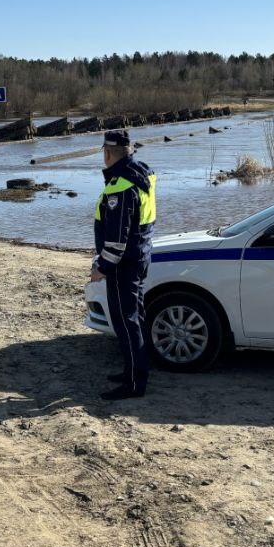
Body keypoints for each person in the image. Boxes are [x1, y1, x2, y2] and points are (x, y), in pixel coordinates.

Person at [89, 129, 157, 401]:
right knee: (136, 317)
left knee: (125, 321)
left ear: (107, 153)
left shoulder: (120, 186)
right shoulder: (143, 173)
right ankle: (136, 368)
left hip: (124, 264)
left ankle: (133, 383)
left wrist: (101, 268)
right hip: (141, 255)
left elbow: (117, 239)